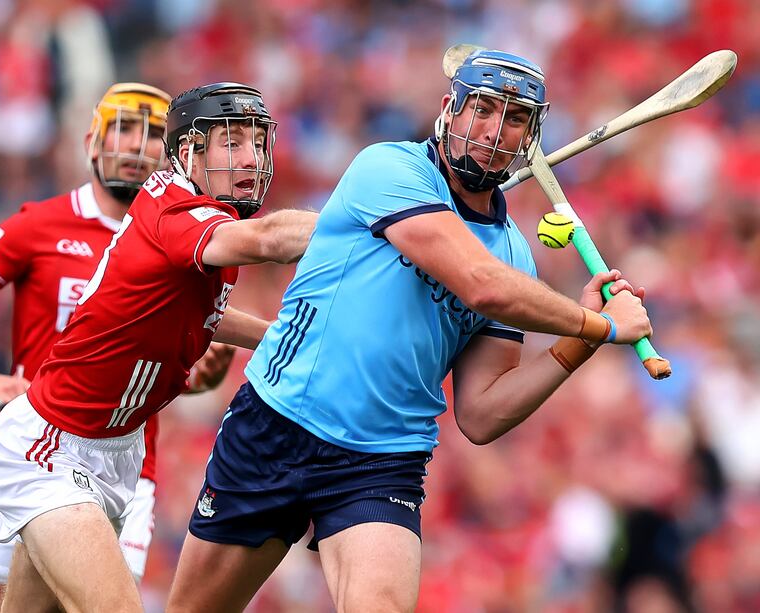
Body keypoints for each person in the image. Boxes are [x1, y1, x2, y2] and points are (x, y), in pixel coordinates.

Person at [166, 47, 653, 612]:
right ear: (450, 109)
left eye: (515, 118)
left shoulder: (515, 256)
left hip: (381, 462)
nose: (495, 130)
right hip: (278, 423)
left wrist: (582, 342)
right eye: (483, 109)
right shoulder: (390, 169)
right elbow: (480, 284)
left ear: (530, 137)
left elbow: (482, 414)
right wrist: (601, 323)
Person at [0, 81, 316, 612]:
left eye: (257, 142)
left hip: (119, 449)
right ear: (189, 152)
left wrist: (277, 337)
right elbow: (271, 241)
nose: (251, 158)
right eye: (232, 142)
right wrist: (366, 220)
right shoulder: (174, 208)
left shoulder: (210, 219)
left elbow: (204, 314)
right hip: (52, 447)